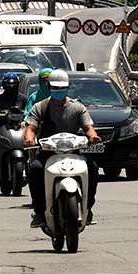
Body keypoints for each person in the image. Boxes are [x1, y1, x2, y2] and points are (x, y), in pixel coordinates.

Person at [24, 70, 102, 228]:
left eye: (62, 88)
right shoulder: (40, 107)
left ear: (67, 88)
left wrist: (93, 136)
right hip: (47, 152)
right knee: (35, 169)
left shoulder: (77, 107)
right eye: (55, 88)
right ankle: (39, 212)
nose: (59, 91)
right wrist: (29, 138)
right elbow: (30, 127)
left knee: (92, 168)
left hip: (73, 151)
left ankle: (88, 208)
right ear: (49, 87)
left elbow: (88, 127)